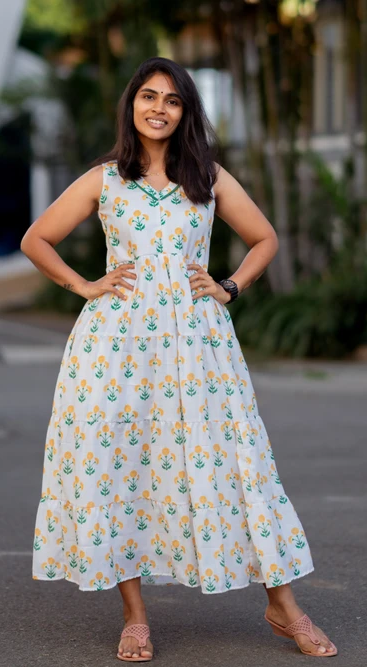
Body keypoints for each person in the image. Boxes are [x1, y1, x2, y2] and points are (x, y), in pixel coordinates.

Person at [21, 56, 337, 662]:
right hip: (115, 351)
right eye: (148, 96)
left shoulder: (207, 177)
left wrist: (229, 286)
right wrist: (84, 285)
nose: (158, 108)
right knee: (117, 467)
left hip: (199, 350)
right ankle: (135, 617)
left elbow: (264, 238)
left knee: (238, 464)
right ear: (132, 105)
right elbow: (36, 239)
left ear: (185, 111)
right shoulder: (106, 179)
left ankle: (284, 606)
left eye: (172, 99)